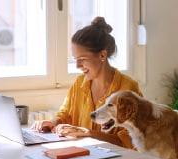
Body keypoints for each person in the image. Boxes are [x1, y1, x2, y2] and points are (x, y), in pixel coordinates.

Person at [31, 16, 142, 149]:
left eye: (82, 59)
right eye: (75, 59)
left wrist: (88, 134)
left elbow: (129, 143)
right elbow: (66, 114)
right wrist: (52, 123)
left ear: (102, 55)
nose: (77, 65)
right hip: (83, 157)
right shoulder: (79, 83)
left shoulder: (128, 89)